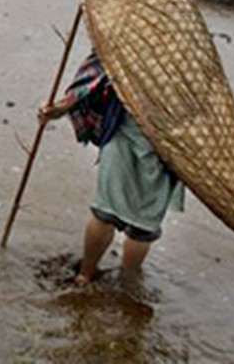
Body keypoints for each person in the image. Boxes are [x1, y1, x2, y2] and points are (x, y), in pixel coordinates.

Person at [39, 51, 184, 285]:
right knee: (142, 225)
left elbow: (91, 82)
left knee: (105, 211)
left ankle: (85, 275)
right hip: (165, 147)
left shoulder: (124, 45)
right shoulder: (188, 63)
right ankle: (126, 283)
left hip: (126, 133)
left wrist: (60, 109)